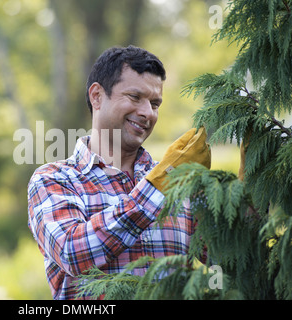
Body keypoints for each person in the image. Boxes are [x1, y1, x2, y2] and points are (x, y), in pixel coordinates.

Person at [27, 45, 211, 300]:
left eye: (155, 103)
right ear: (97, 96)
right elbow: (73, 252)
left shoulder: (176, 180)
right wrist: (158, 186)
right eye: (135, 97)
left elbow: (227, 255)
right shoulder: (54, 179)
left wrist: (255, 189)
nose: (148, 112)